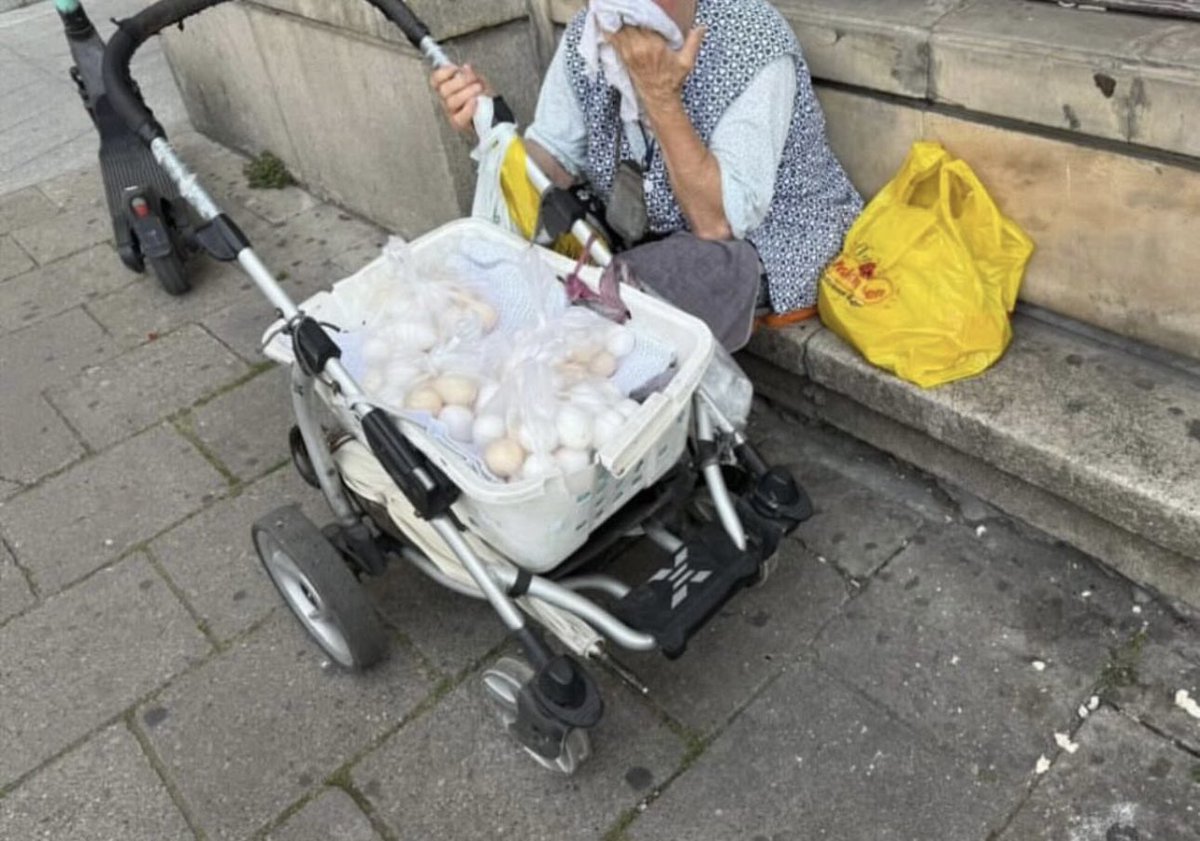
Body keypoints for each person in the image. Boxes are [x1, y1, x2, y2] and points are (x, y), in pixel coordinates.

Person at [431, 0, 862, 350]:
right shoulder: (592, 31)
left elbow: (718, 224)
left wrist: (659, 95)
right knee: (511, 269)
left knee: (624, 300)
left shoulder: (749, 36)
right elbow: (553, 165)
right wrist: (492, 129)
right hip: (644, 234)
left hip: (765, 242)